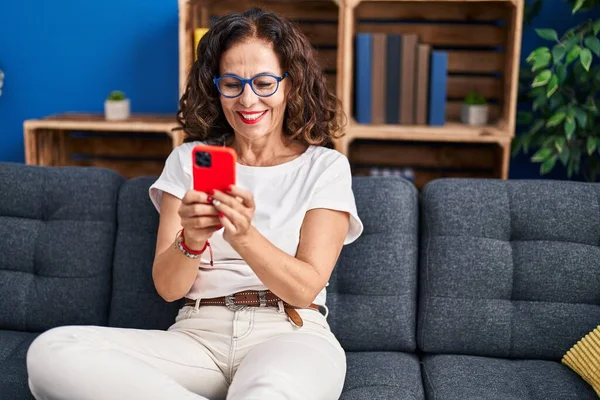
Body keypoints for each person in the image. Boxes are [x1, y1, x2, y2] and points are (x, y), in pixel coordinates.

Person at [26, 7, 363, 400]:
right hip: (198, 335)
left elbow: (305, 289)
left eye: (265, 83)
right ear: (215, 87)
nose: (248, 99)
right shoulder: (189, 160)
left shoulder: (325, 167)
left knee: (268, 391)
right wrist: (191, 238)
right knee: (51, 352)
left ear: (291, 84)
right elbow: (169, 288)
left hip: (289, 333)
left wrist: (244, 237)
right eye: (232, 84)